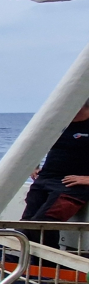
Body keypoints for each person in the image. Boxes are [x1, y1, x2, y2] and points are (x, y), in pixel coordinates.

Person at [22, 101, 89, 246]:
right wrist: (34, 165)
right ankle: (24, 259)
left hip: (71, 186)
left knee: (42, 224)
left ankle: (49, 260)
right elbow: (35, 144)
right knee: (24, 226)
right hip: (45, 179)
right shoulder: (57, 124)